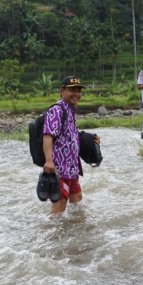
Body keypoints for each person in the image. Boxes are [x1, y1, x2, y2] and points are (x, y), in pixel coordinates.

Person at [42, 76, 100, 216]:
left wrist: (90, 139)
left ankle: (76, 233)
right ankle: (52, 235)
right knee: (59, 206)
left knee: (77, 201)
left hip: (72, 168)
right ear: (62, 90)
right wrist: (49, 161)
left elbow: (70, 135)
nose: (77, 94)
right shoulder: (57, 110)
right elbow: (48, 136)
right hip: (59, 169)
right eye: (72, 90)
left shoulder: (70, 110)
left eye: (79, 90)